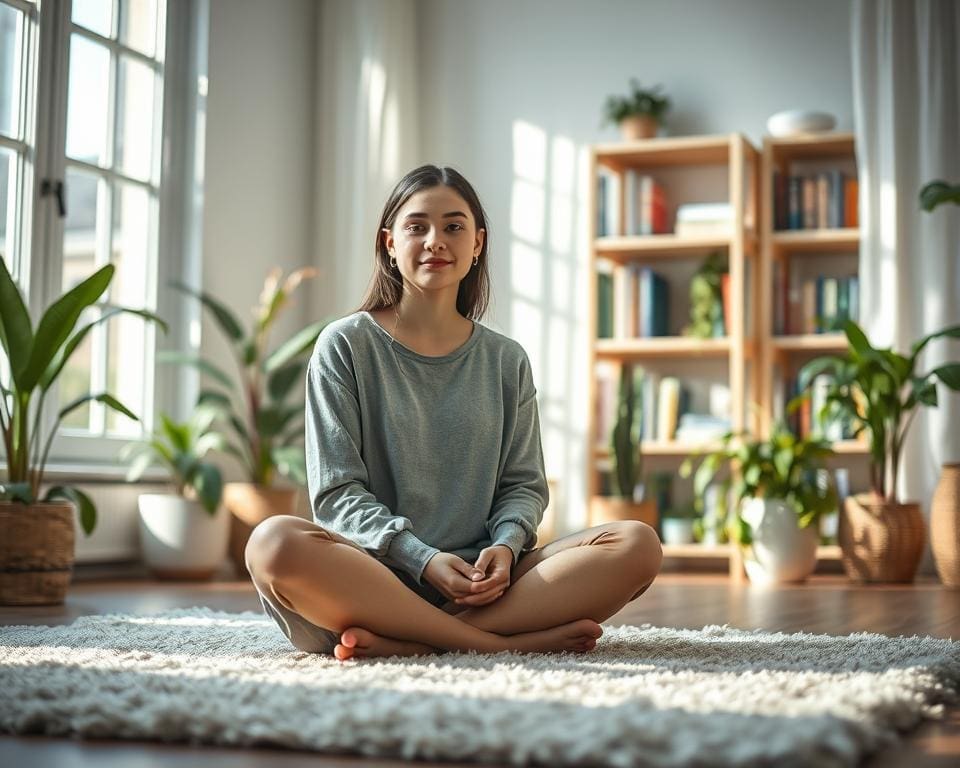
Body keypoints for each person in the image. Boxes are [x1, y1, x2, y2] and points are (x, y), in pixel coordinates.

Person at [245, 165, 662, 661]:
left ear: (477, 243)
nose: (435, 241)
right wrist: (422, 560)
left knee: (636, 543)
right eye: (417, 226)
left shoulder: (506, 360)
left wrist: (505, 548)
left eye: (454, 226)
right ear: (390, 243)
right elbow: (336, 496)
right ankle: (486, 642)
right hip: (369, 582)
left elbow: (523, 485)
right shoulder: (345, 345)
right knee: (272, 542)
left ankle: (414, 642)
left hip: (490, 589)